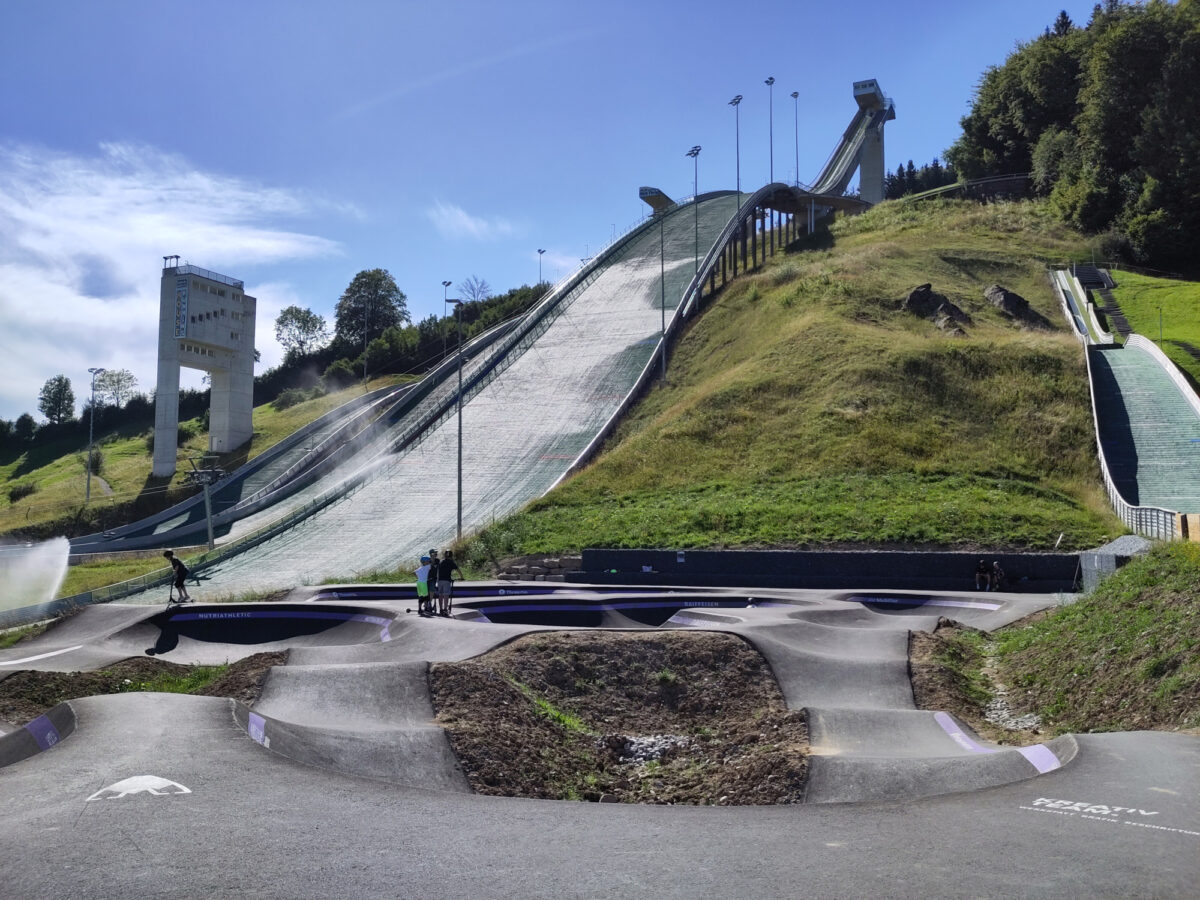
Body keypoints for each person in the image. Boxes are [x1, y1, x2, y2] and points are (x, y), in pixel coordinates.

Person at [435, 550, 464, 617]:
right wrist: (462, 577)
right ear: (451, 556)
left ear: (445, 555)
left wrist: (437, 579)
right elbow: (458, 570)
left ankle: (441, 609)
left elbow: (438, 571)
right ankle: (445, 609)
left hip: (440, 580)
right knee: (446, 595)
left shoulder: (441, 561)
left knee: (440, 595)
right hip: (447, 580)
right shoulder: (451, 562)